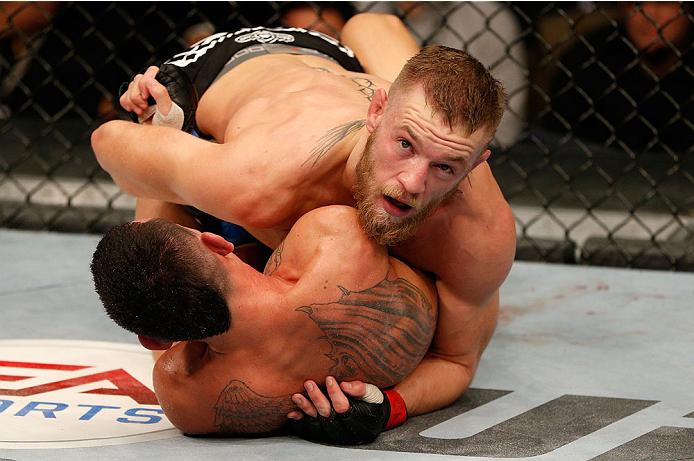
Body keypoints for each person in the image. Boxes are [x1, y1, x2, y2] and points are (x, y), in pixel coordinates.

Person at [91, 13, 517, 442]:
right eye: (404, 145)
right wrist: (163, 120)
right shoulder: (255, 182)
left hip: (343, 76)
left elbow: (457, 361)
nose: (412, 182)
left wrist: (389, 407)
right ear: (376, 112)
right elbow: (107, 144)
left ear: (476, 164)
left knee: (372, 26)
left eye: (446, 167)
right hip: (238, 63)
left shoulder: (478, 236)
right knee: (165, 234)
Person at [90, 205, 437, 440]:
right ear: (219, 244)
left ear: (154, 341)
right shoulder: (332, 235)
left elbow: (174, 353)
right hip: (448, 302)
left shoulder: (185, 399)